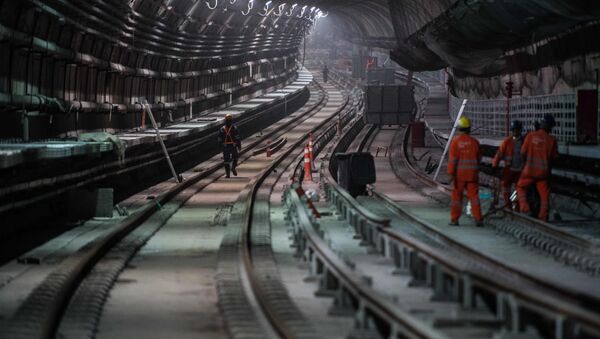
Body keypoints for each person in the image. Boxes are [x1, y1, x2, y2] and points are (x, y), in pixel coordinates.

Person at [516, 114, 558, 221]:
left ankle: (525, 208)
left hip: (529, 171)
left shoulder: (530, 136)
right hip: (543, 173)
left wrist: (526, 163)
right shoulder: (552, 140)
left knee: (520, 187)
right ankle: (543, 216)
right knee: (544, 195)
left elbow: (522, 153)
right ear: (550, 127)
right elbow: (554, 158)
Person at [448, 116, 483, 227]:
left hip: (459, 176)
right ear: (469, 128)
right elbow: (479, 158)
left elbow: (453, 160)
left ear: (459, 128)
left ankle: (454, 219)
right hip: (472, 175)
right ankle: (478, 219)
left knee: (457, 198)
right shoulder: (475, 142)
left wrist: (450, 174)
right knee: (474, 197)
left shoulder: (455, 142)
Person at [492, 120, 524, 209]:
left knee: (519, 189)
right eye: (514, 130)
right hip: (509, 169)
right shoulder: (507, 142)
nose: (515, 132)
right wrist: (494, 165)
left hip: (520, 171)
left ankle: (515, 204)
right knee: (505, 186)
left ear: (520, 130)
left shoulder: (524, 142)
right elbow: (499, 154)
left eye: (517, 130)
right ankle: (508, 205)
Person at [218, 114, 241, 178]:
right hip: (233, 145)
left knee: (226, 161)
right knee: (235, 158)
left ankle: (228, 174)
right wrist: (239, 145)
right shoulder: (234, 128)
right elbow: (237, 137)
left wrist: (220, 146)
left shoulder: (222, 129)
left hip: (225, 147)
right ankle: (233, 168)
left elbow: (219, 139)